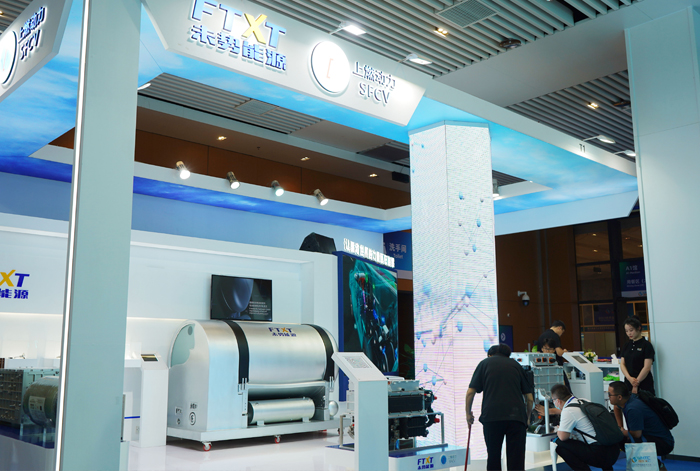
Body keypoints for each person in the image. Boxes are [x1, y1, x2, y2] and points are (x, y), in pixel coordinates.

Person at [466, 344, 534, 471]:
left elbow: (470, 392)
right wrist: (527, 418)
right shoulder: (516, 365)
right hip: (516, 418)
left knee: (493, 456)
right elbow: (529, 398)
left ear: (490, 355)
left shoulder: (484, 364)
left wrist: (468, 414)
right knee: (516, 460)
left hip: (492, 417)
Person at [550, 384, 620, 471]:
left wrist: (559, 429)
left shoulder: (568, 410)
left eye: (553, 400)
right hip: (613, 450)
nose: (553, 403)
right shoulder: (583, 401)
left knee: (559, 444)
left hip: (600, 455)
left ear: (558, 401)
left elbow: (562, 437)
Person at [608, 381, 674, 465]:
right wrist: (620, 426)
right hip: (658, 437)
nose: (608, 397)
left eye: (610, 394)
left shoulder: (633, 409)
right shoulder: (630, 398)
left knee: (623, 439)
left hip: (663, 443)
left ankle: (653, 464)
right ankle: (657, 464)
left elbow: (636, 434)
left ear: (619, 397)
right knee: (623, 437)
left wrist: (621, 431)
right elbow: (616, 407)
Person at [620, 316, 655, 395]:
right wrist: (629, 378)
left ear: (639, 328)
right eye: (626, 331)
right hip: (629, 382)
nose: (629, 333)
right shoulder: (626, 345)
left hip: (644, 382)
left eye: (631, 330)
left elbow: (647, 367)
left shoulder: (646, 345)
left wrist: (636, 383)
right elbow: (622, 364)